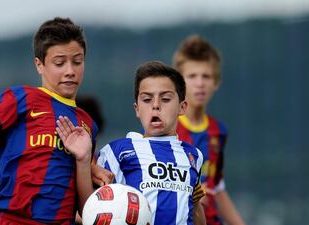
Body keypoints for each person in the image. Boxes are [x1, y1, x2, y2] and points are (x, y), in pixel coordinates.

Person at [0, 17, 98, 225]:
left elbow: (85, 209)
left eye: (77, 61)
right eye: (59, 63)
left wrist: (85, 162)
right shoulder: (21, 99)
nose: (70, 71)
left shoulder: (87, 124)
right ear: (39, 65)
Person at [57, 61, 207, 225]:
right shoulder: (118, 151)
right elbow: (90, 206)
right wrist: (84, 160)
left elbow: (194, 207)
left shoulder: (194, 155)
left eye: (165, 99)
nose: (155, 106)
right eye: (147, 99)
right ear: (137, 108)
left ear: (182, 107)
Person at [172, 35, 246, 225]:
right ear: (179, 83)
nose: (200, 83)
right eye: (192, 76)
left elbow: (217, 187)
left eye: (206, 76)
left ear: (216, 82)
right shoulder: (167, 127)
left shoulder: (218, 131)